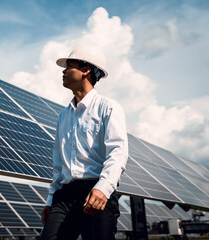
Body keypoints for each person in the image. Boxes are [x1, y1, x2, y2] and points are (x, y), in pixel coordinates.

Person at [40, 46, 128, 240]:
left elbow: (118, 152)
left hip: (96, 191)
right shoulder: (63, 116)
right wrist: (50, 200)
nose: (63, 71)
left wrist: (103, 189)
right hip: (65, 196)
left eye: (68, 65)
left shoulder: (109, 107)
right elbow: (58, 163)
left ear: (86, 70)